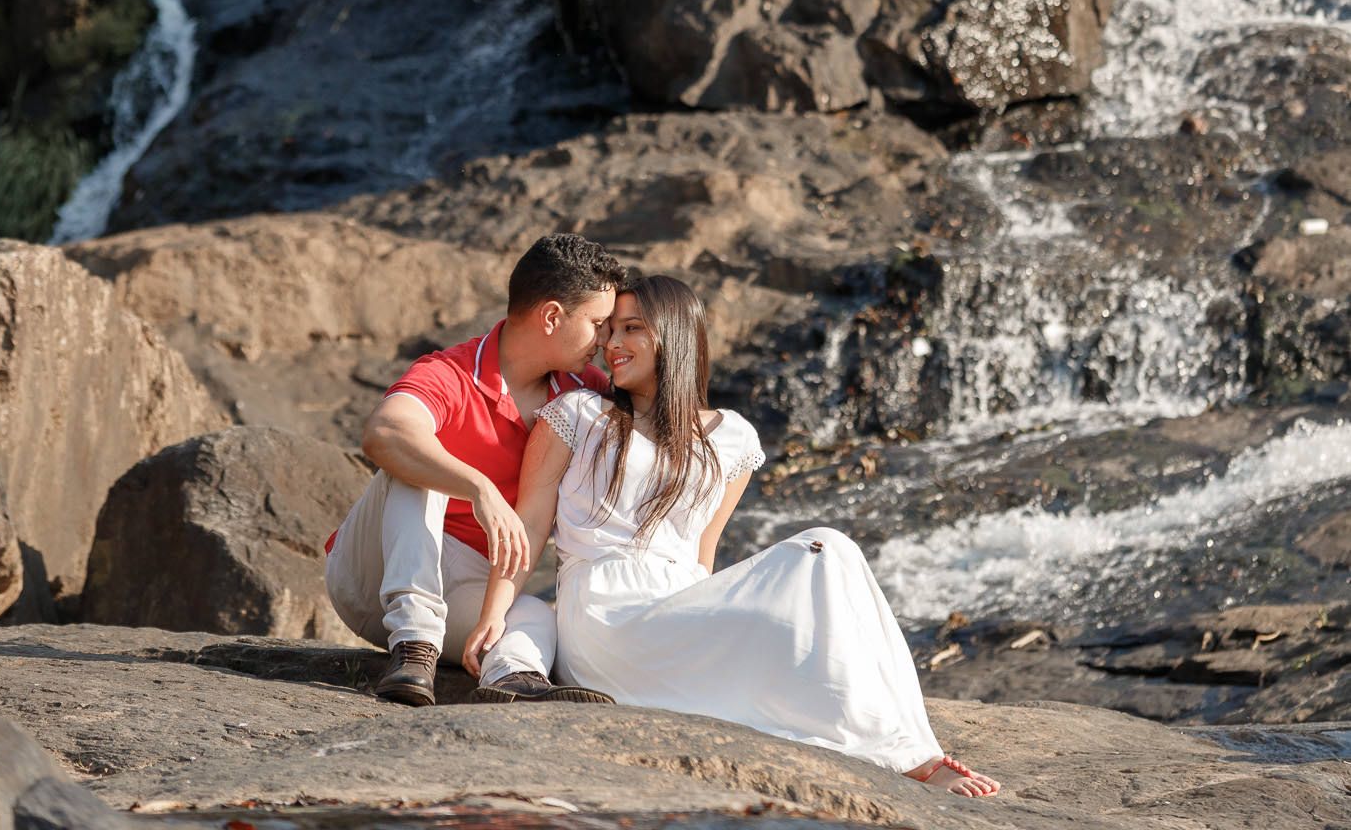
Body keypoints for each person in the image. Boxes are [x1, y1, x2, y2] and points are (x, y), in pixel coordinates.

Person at [463, 275, 999, 800]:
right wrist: (494, 614)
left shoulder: (731, 438)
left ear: (673, 335)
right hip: (605, 614)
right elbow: (529, 525)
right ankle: (909, 757)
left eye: (632, 329)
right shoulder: (579, 414)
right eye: (610, 331)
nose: (612, 345)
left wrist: (722, 624)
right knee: (824, 551)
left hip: (677, 602)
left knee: (830, 550)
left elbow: (703, 554)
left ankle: (910, 745)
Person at [325, 231, 625, 707]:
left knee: (536, 614)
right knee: (415, 462)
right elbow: (385, 432)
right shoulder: (451, 373)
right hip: (374, 574)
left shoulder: (583, 390)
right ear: (552, 316)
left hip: (464, 588)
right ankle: (414, 645)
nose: (605, 340)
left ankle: (514, 680)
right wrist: (478, 487)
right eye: (598, 323)